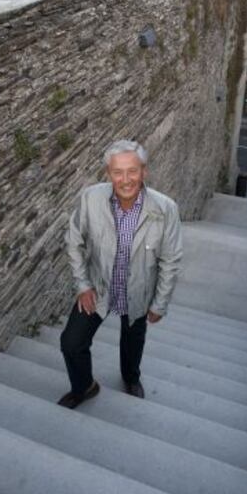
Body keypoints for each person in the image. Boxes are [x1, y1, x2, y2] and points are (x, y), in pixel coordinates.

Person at [58, 140, 183, 409]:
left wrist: (160, 303)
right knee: (71, 343)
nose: (125, 180)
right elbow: (74, 241)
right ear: (108, 173)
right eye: (118, 172)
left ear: (144, 171)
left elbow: (171, 260)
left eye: (132, 171)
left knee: (133, 339)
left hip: (138, 291)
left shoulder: (165, 209)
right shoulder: (90, 198)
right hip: (98, 288)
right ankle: (84, 387)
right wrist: (82, 285)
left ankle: (131, 377)